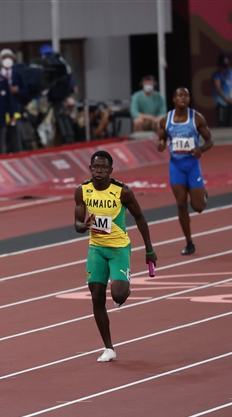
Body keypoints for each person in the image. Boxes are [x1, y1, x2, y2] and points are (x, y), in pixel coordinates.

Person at [74, 150, 157, 362]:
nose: (98, 171)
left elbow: (140, 217)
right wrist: (82, 226)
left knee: (119, 295)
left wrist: (149, 249)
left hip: (119, 247)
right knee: (96, 297)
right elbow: (76, 222)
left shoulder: (123, 192)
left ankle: (123, 280)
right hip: (96, 248)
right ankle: (108, 347)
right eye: (95, 167)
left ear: (111, 170)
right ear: (90, 169)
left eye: (103, 167)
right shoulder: (82, 191)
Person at [157, 87, 213, 255]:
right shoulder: (166, 120)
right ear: (174, 99)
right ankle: (189, 242)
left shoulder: (196, 118)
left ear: (189, 99)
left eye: (186, 95)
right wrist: (160, 144)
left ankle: (202, 195)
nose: (183, 98)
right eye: (180, 95)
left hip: (192, 166)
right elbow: (161, 139)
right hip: (176, 166)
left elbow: (209, 140)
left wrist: (201, 149)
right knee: (181, 203)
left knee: (198, 207)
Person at [0, 48, 27, 153]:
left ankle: (17, 152)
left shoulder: (17, 74)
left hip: (14, 108)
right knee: (2, 134)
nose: (7, 60)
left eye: (9, 57)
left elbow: (25, 90)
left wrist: (18, 91)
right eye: (4, 58)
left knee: (15, 133)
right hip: (1, 109)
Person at [212, 52, 232, 127]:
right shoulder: (217, 75)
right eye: (224, 60)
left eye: (227, 60)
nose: (226, 62)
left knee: (229, 121)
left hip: (231, 101)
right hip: (221, 102)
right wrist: (226, 99)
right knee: (222, 122)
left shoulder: (231, 73)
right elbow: (218, 89)